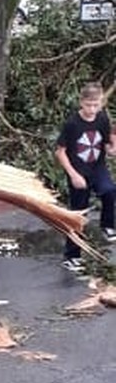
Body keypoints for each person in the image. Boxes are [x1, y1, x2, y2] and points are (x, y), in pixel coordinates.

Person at [54, 80, 116, 272]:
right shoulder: (72, 124)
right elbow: (60, 152)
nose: (92, 109)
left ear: (101, 104)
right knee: (78, 214)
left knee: (110, 190)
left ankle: (108, 226)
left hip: (97, 168)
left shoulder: (102, 119)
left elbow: (106, 141)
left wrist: (112, 148)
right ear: (81, 102)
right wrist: (73, 175)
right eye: (88, 105)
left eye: (96, 105)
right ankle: (71, 256)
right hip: (78, 172)